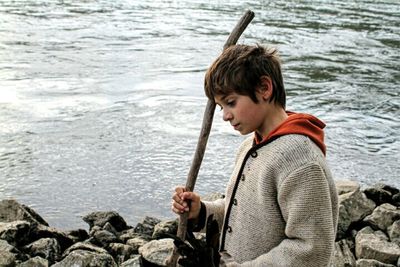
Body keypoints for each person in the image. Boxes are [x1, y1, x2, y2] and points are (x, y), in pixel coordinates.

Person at [171, 44, 339, 267]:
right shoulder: (251, 146)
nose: (225, 116)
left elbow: (311, 250)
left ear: (264, 88)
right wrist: (201, 211)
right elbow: (242, 215)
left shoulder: (300, 161)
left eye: (230, 102)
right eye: (220, 107)